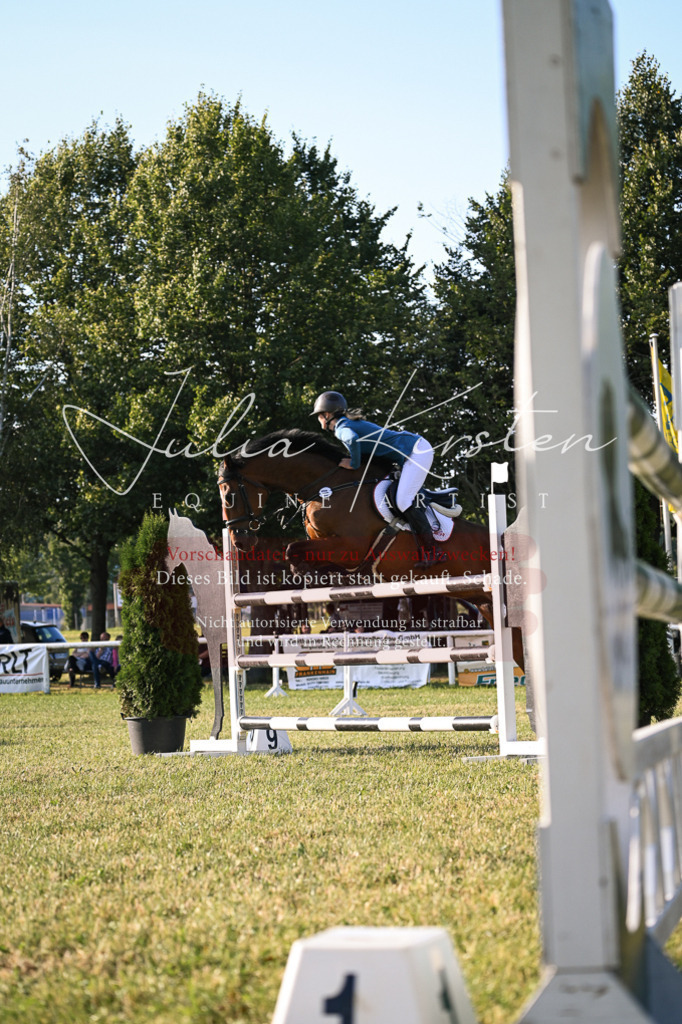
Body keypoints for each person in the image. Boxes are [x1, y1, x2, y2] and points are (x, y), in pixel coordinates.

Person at [311, 390, 447, 567]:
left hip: (416, 452)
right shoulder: (348, 423)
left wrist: (353, 463)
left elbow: (352, 440)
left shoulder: (342, 428)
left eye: (319, 415)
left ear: (327, 415)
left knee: (403, 501)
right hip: (412, 450)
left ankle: (433, 551)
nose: (319, 419)